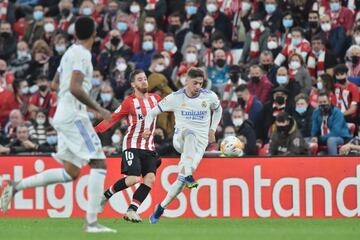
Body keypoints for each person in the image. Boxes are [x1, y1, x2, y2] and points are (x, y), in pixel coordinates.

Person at [0, 17, 116, 233]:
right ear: (94, 34)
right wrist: (99, 109)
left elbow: (54, 84)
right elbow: (74, 87)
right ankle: (91, 223)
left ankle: (17, 186)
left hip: (62, 114)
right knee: (99, 163)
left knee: (71, 172)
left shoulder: (70, 53)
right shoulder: (82, 54)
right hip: (74, 116)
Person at [143, 67, 222, 224]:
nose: (198, 87)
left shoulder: (209, 96)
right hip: (181, 138)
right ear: (187, 80)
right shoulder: (175, 97)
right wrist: (147, 128)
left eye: (200, 83)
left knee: (180, 183)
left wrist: (212, 129)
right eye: (195, 83)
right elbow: (151, 113)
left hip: (199, 144)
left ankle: (161, 207)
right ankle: (188, 176)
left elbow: (218, 110)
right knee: (190, 134)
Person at [95, 69, 161, 223]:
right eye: (140, 79)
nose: (144, 81)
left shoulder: (156, 99)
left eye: (145, 78)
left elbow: (172, 107)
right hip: (132, 145)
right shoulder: (129, 102)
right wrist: (93, 132)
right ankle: (105, 196)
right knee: (132, 179)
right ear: (133, 84)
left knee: (149, 179)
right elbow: (111, 119)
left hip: (149, 147)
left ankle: (132, 210)